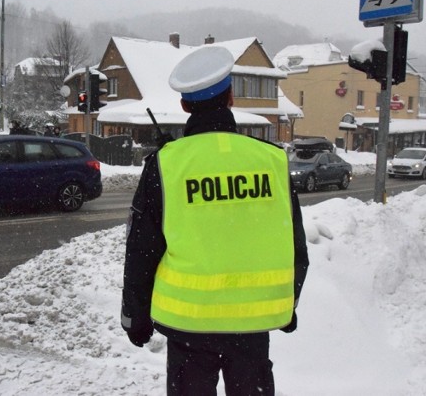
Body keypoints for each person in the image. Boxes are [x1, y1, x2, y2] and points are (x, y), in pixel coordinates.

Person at [121, 46, 309, 395]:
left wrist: (135, 317)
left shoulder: (165, 165)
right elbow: (294, 244)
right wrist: (288, 304)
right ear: (231, 98)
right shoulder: (271, 161)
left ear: (184, 105)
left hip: (189, 328)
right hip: (253, 328)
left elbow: (142, 249)